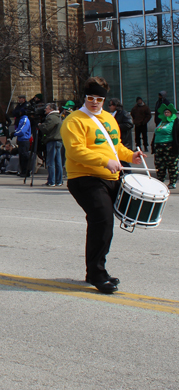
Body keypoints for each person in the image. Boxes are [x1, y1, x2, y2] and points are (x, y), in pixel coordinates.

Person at [60, 77, 144, 294]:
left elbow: (115, 147)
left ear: (104, 100)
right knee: (103, 221)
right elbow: (75, 150)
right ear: (84, 98)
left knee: (105, 224)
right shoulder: (74, 120)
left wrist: (131, 155)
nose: (95, 102)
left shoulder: (108, 118)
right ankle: (98, 274)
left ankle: (94, 271)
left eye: (99, 99)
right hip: (84, 178)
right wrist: (104, 161)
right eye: (90, 98)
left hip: (111, 178)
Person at [151, 104, 179, 189]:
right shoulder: (162, 121)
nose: (166, 113)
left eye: (168, 112)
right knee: (159, 165)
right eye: (165, 112)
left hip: (169, 147)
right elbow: (156, 133)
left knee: (171, 165)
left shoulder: (175, 121)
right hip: (159, 147)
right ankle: (160, 181)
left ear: (171, 113)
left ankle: (172, 182)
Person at [38, 103, 63, 186]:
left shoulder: (52, 117)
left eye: (47, 108)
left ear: (51, 109)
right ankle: (59, 181)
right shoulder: (58, 116)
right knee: (58, 162)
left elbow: (46, 128)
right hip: (58, 141)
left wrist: (40, 126)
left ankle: (51, 181)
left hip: (53, 140)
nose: (45, 109)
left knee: (51, 162)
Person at [13, 109, 31, 177]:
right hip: (21, 140)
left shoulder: (25, 120)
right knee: (21, 157)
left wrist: (15, 134)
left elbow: (22, 131)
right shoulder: (21, 120)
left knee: (24, 156)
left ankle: (26, 171)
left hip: (24, 140)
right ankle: (22, 170)